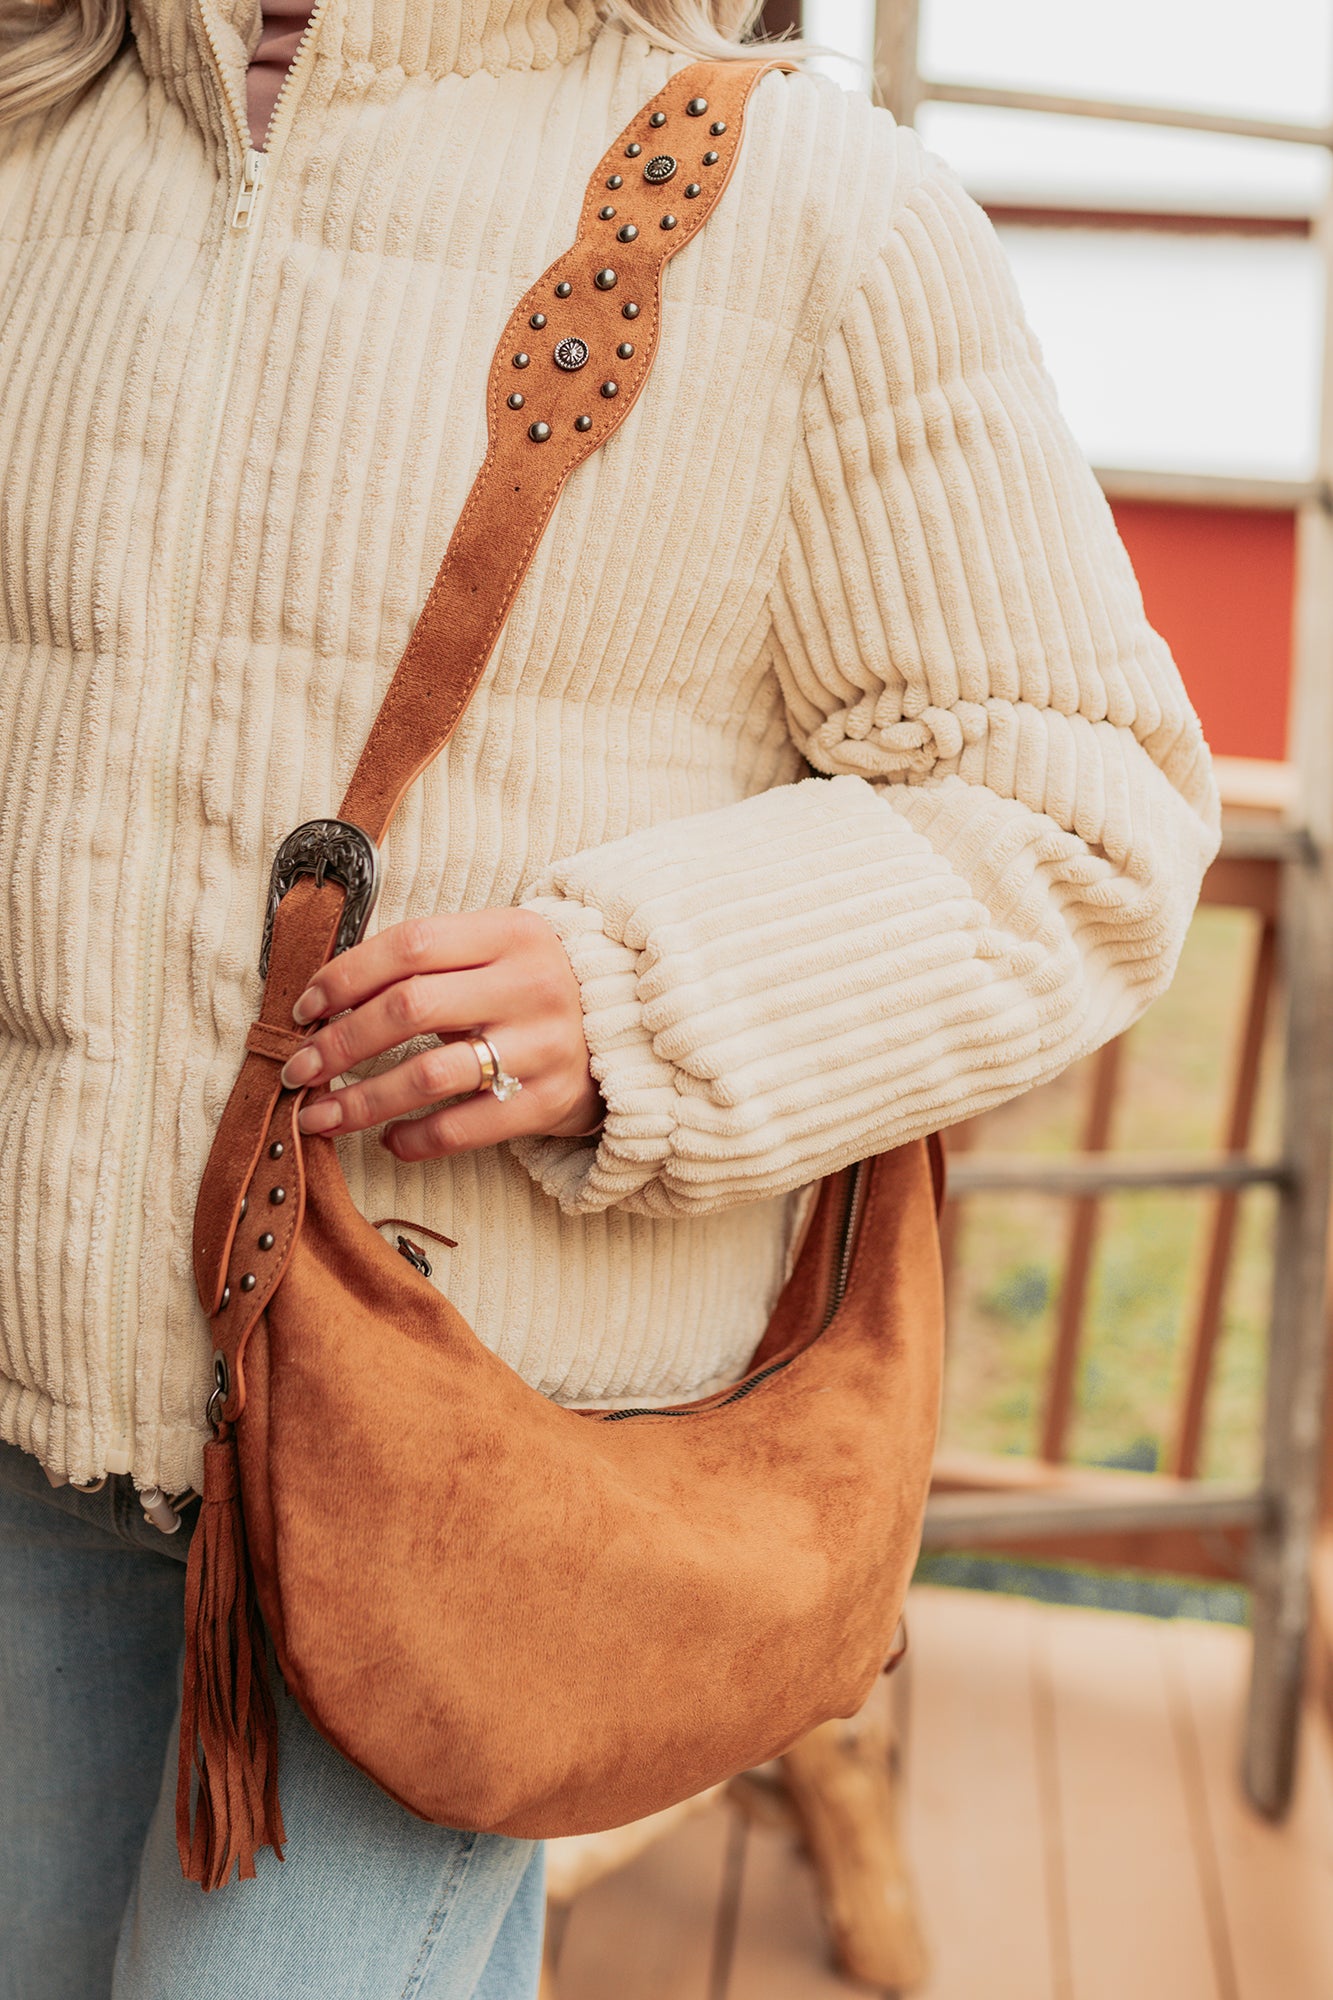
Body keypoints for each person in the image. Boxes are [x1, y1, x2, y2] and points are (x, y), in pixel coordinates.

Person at [0, 0, 1220, 1993]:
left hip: (466, 1458)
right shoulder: (39, 142)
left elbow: (1075, 810)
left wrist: (642, 992)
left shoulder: (815, 209)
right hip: (25, 1417)